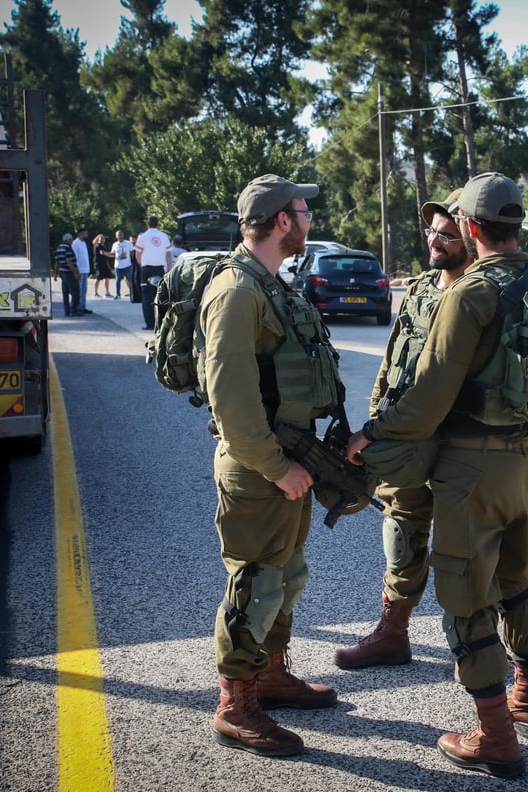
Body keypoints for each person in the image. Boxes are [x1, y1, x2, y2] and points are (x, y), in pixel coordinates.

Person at [345, 173, 528, 779]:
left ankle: (495, 738)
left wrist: (372, 435)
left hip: (471, 466)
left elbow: (429, 396)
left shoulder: (471, 293)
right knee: (518, 581)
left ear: (470, 227)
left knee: (465, 597)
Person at [201, 173, 340, 758]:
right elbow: (229, 399)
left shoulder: (271, 284)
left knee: (286, 577)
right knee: (256, 582)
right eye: (303, 210)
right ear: (282, 221)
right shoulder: (237, 291)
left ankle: (272, 675)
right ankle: (236, 705)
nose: (309, 218)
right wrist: (276, 469)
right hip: (261, 467)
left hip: (289, 459)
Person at [332, 188, 467, 671]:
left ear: (471, 235)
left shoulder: (479, 292)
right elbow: (391, 366)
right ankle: (393, 633)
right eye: (432, 231)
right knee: (402, 529)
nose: (435, 240)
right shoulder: (422, 289)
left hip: (462, 443)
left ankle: (475, 653)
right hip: (407, 438)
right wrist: (375, 428)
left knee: (466, 550)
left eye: (447, 234)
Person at [135, 216, 171, 330]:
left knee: (147, 297)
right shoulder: (164, 236)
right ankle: (160, 323)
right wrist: (169, 268)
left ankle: (150, 323)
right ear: (157, 224)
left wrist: (142, 265)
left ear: (147, 224)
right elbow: (168, 254)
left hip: (147, 269)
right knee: (160, 295)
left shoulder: (142, 237)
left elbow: (137, 254)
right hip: (160, 269)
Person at [55, 232, 81, 316]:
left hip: (62, 272)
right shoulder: (68, 248)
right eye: (71, 240)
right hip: (69, 272)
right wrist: (76, 273)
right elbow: (69, 261)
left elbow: (56, 262)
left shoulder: (59, 247)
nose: (72, 242)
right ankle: (74, 310)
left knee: (65, 292)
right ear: (69, 240)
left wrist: (56, 274)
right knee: (75, 291)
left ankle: (67, 311)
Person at [71, 228, 93, 314]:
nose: (86, 235)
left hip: (85, 270)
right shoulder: (75, 244)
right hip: (80, 270)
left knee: (84, 290)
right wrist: (76, 271)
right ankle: (78, 307)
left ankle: (83, 306)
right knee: (79, 290)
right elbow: (74, 258)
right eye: (85, 234)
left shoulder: (84, 243)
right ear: (80, 234)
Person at [112, 231, 135, 299]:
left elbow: (132, 252)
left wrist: (132, 261)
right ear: (116, 236)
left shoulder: (128, 243)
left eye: (121, 235)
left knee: (129, 280)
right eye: (118, 235)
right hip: (118, 266)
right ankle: (118, 294)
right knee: (117, 280)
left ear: (123, 235)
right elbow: (113, 254)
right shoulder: (115, 244)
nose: (120, 236)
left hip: (127, 265)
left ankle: (132, 293)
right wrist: (105, 253)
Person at [92, 233, 115, 299]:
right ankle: (95, 292)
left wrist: (109, 267)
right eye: (101, 238)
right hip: (98, 264)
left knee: (107, 278)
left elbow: (105, 256)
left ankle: (107, 292)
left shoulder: (104, 246)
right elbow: (94, 242)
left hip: (104, 264)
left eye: (103, 238)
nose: (102, 239)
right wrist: (98, 235)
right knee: (98, 278)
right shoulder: (97, 245)